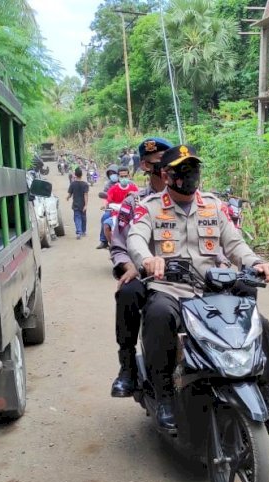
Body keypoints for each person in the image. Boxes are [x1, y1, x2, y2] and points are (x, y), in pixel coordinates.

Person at [127, 145, 269, 442]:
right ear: (167, 175)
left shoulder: (213, 206)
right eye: (182, 170)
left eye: (193, 168)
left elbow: (235, 245)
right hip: (170, 287)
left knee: (261, 325)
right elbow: (136, 237)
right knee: (158, 314)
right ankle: (165, 396)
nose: (190, 175)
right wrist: (147, 260)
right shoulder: (151, 207)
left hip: (209, 288)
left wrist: (257, 263)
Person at [107, 137, 173, 397]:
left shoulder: (189, 197)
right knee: (127, 292)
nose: (166, 169)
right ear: (146, 166)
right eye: (159, 163)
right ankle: (127, 367)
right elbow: (119, 245)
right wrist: (131, 265)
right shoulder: (133, 203)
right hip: (146, 275)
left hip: (186, 273)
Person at [103, 170, 139, 245]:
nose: (124, 178)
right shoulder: (113, 189)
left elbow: (139, 200)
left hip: (132, 215)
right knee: (106, 225)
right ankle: (113, 246)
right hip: (116, 214)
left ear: (129, 176)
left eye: (125, 176)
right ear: (118, 177)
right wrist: (105, 205)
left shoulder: (134, 188)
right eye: (121, 176)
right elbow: (107, 200)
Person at [97, 165, 120, 249]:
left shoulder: (126, 183)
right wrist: (105, 205)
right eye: (110, 174)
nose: (112, 175)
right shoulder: (108, 184)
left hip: (125, 206)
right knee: (105, 217)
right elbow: (105, 197)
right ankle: (104, 241)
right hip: (112, 207)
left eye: (114, 173)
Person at [67, 167, 89, 239]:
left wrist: (67, 197)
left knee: (77, 218)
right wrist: (86, 205)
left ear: (75, 175)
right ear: (81, 175)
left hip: (76, 204)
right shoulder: (85, 184)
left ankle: (79, 232)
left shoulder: (73, 184)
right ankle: (83, 231)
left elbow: (69, 194)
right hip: (83, 204)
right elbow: (85, 195)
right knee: (83, 218)